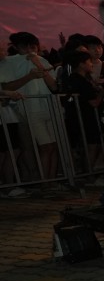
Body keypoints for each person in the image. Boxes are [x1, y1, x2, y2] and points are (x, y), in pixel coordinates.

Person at [1, 32, 59, 184]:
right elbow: (6, 87)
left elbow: (54, 86)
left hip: (49, 107)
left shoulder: (42, 60)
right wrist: (30, 76)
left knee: (53, 146)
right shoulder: (9, 62)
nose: (29, 51)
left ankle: (51, 180)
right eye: (24, 47)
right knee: (40, 146)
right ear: (16, 47)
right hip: (27, 109)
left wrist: (38, 63)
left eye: (32, 47)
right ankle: (41, 181)